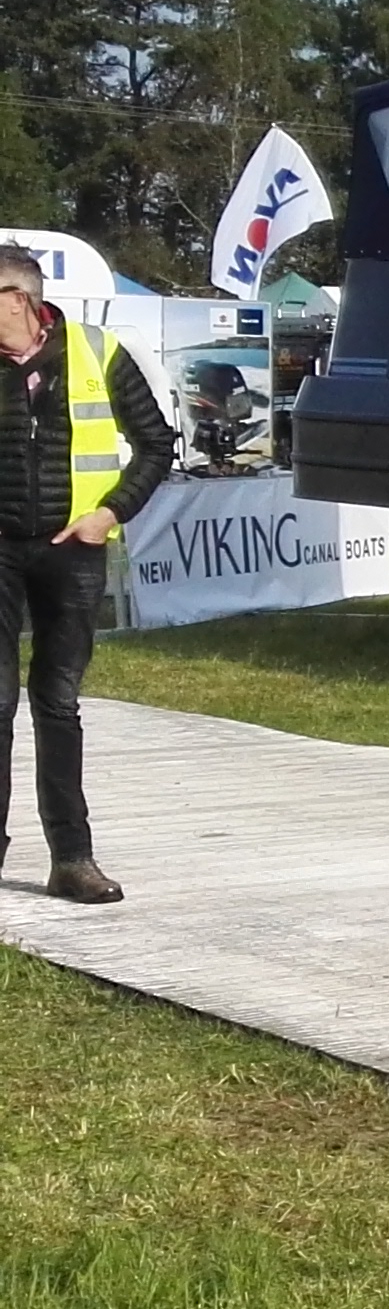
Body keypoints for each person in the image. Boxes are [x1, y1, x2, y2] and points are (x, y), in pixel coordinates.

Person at [0, 245, 174, 901]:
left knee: (58, 701)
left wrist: (110, 514)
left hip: (74, 553)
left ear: (19, 298)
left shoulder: (98, 353)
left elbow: (158, 444)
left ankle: (72, 858)